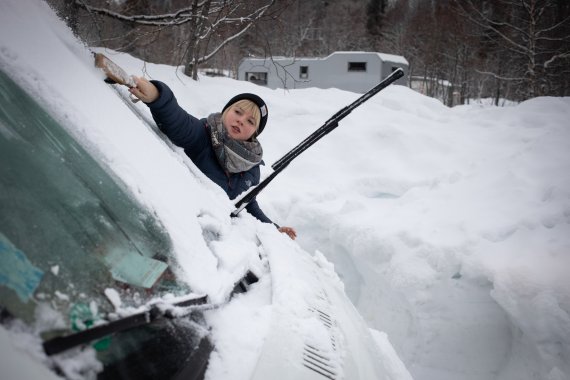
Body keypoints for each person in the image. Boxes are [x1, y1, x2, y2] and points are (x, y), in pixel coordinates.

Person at [129, 77, 297, 240]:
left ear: (254, 133)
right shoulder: (203, 134)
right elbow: (179, 122)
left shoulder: (252, 166)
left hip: (215, 244)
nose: (240, 120)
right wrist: (158, 96)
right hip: (179, 228)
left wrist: (274, 229)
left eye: (250, 121)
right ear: (226, 111)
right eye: (237, 112)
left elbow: (247, 205)